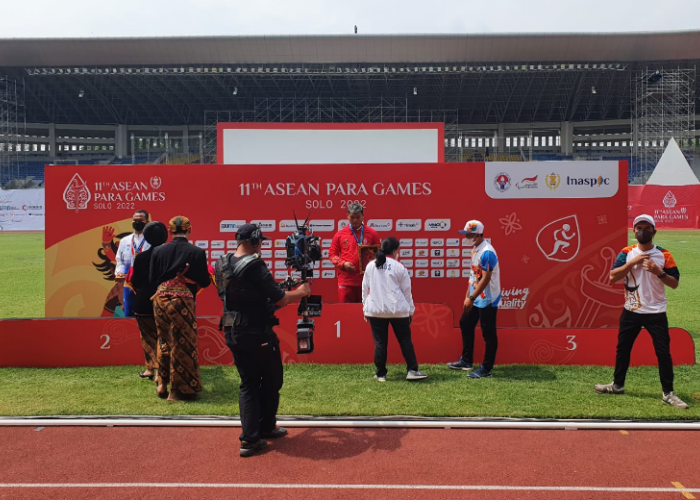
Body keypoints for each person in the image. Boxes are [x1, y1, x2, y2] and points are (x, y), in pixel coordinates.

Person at [215, 223, 311, 457]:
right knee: (270, 380)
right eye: (261, 242)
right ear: (255, 241)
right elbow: (280, 299)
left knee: (248, 381)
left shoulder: (222, 262)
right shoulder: (255, 265)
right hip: (256, 332)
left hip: (232, 330)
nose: (262, 246)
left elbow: (239, 294)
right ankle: (254, 435)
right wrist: (301, 292)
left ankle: (258, 432)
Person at [595, 214, 688, 409]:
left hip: (656, 311)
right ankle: (618, 385)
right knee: (623, 349)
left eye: (646, 228)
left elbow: (675, 283)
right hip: (631, 311)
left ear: (654, 231)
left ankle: (668, 393)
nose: (642, 231)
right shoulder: (626, 252)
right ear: (634, 231)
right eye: (638, 228)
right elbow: (612, 277)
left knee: (663, 353)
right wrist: (631, 263)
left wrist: (658, 272)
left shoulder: (664, 255)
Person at [150, 215, 211, 401]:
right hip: (181, 301)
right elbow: (206, 282)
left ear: (170, 231)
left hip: (160, 299)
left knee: (163, 339)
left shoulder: (158, 251)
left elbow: (152, 280)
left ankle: (162, 383)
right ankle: (177, 391)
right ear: (189, 230)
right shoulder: (197, 252)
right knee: (183, 343)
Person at [362, 237, 427, 382]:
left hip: (376, 310)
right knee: (405, 340)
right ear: (395, 251)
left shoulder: (370, 265)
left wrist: (365, 309)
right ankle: (412, 370)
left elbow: (365, 289)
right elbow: (407, 292)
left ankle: (380, 374)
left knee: (380, 343)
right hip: (398, 310)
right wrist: (410, 311)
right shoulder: (399, 267)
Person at [447, 220, 501, 379]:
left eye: (468, 235)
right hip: (476, 296)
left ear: (478, 235)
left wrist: (471, 297)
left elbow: (485, 279)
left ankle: (486, 369)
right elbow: (473, 276)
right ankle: (467, 361)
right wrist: (467, 296)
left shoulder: (487, 252)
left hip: (488, 298)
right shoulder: (475, 250)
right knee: (465, 323)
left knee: (488, 333)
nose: (466, 237)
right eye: (465, 234)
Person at [127, 221, 168, 384]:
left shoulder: (141, 257)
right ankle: (160, 372)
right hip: (164, 301)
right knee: (164, 337)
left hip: (143, 302)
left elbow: (135, 281)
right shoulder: (169, 257)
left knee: (147, 336)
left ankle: (150, 369)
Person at [329, 202, 380, 303]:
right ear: (347, 216)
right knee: (346, 313)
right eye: (352, 217)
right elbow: (332, 254)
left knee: (366, 312)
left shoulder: (372, 233)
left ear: (363, 216)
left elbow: (378, 254)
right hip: (346, 281)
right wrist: (343, 264)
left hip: (366, 281)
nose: (355, 220)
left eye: (358, 217)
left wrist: (373, 260)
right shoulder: (340, 234)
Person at [115, 210, 151, 317]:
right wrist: (120, 272)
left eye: (140, 220)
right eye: (135, 220)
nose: (137, 222)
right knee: (129, 313)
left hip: (146, 283)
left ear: (147, 222)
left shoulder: (152, 240)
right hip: (128, 283)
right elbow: (120, 260)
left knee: (146, 313)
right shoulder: (124, 241)